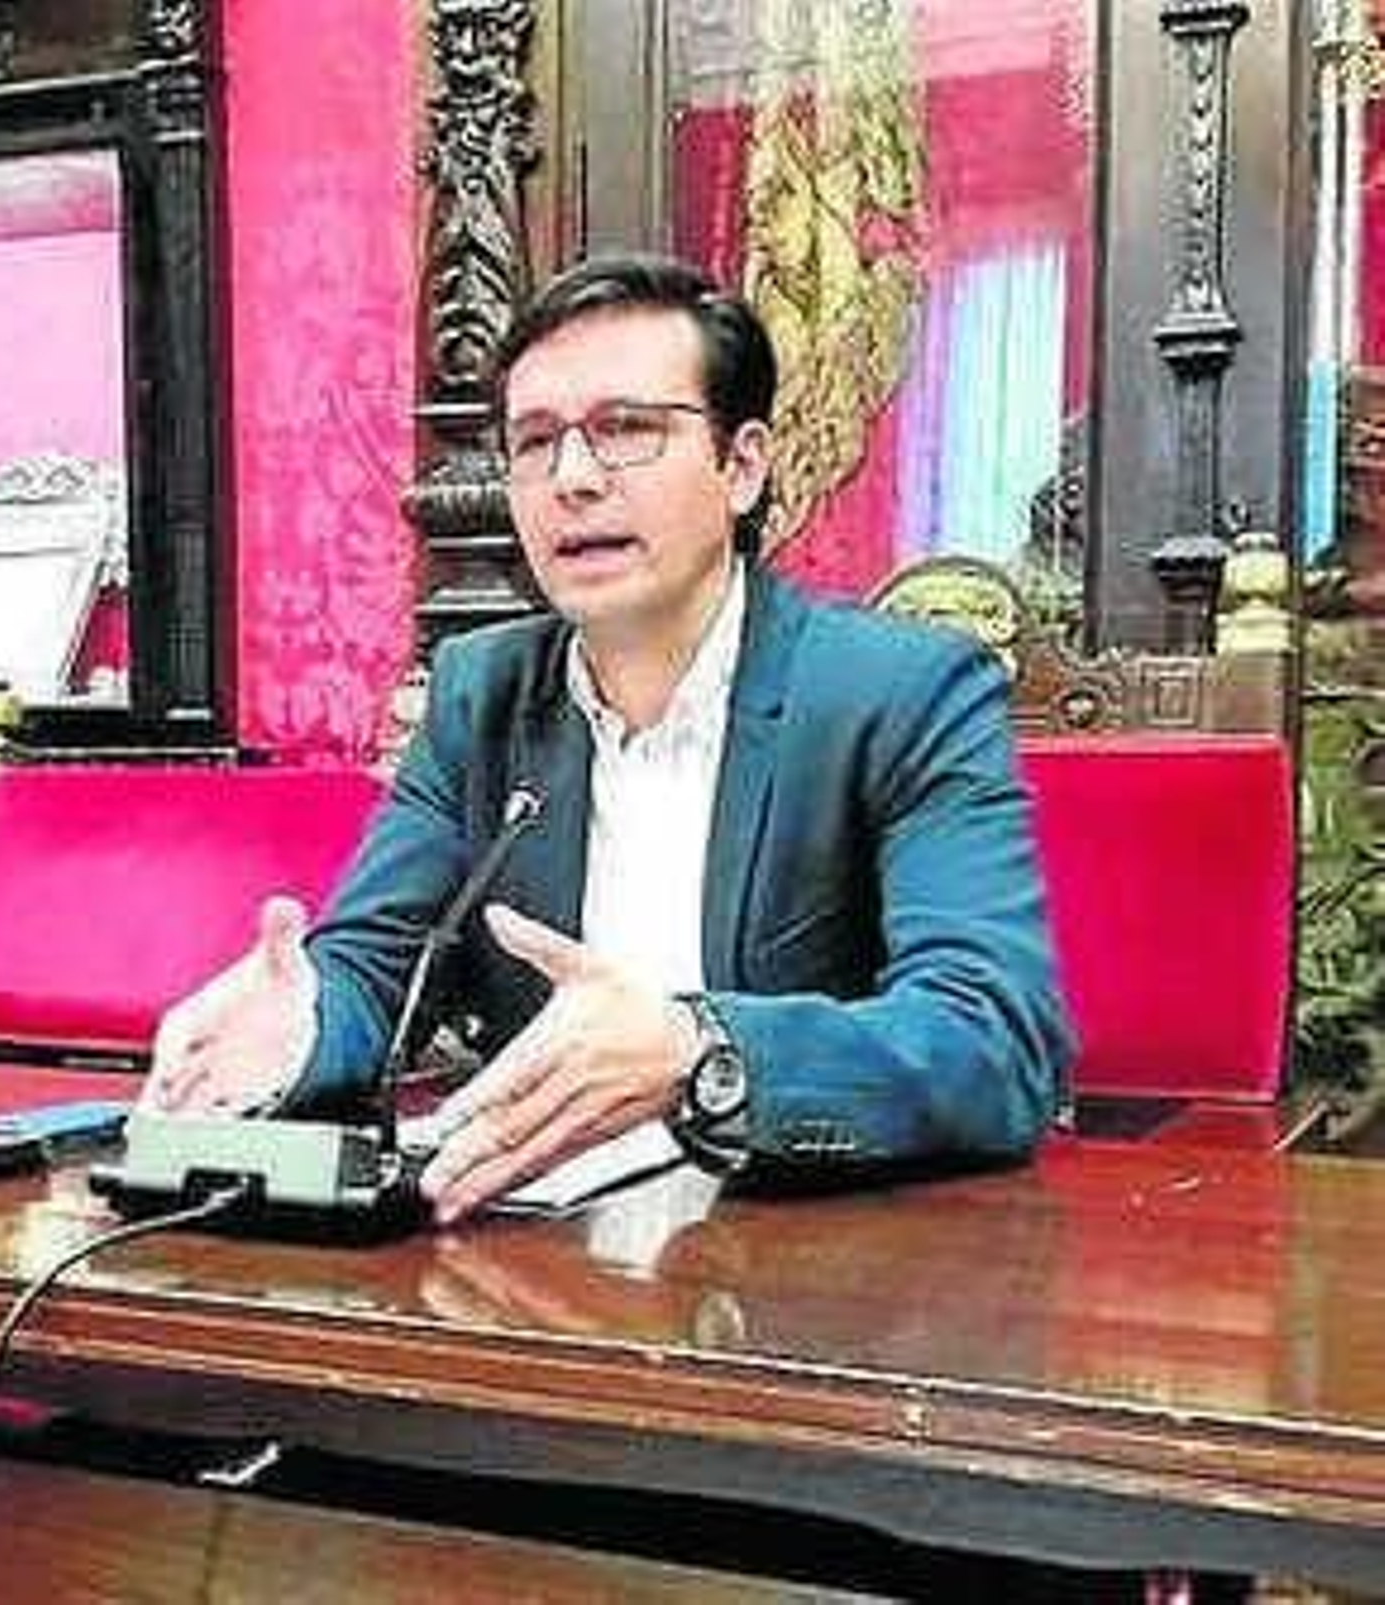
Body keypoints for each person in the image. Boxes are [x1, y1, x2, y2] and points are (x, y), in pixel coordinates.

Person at [143, 251, 1074, 1225]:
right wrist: (295, 1030)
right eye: (535, 441)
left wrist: (698, 1052)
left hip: (803, 1254)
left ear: (742, 465)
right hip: (533, 1250)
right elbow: (373, 970)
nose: (573, 479)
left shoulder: (901, 691)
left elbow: (993, 1039)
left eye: (626, 430)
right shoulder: (479, 696)